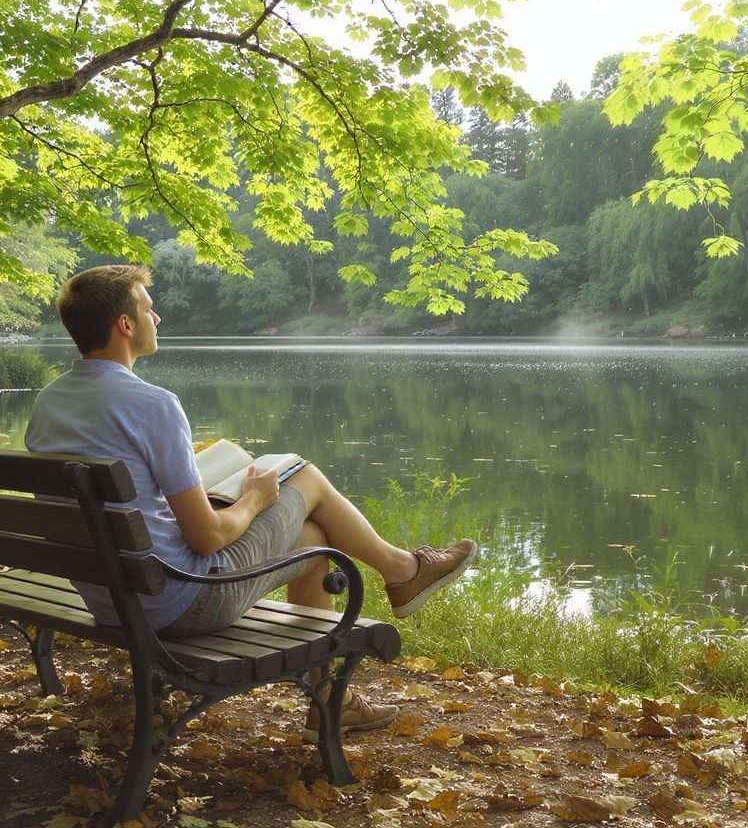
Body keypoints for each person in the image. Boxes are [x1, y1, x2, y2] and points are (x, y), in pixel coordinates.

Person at [25, 264, 477, 736]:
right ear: (125, 325)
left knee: (312, 540)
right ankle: (403, 572)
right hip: (180, 602)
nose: (156, 318)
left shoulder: (51, 400)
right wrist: (256, 498)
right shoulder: (151, 404)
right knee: (304, 475)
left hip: (110, 599)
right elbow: (207, 539)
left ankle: (330, 699)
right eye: (148, 309)